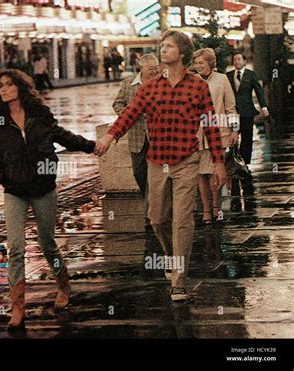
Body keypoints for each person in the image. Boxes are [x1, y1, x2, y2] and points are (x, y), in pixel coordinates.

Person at [95, 31, 226, 302]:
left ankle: (179, 281)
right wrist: (110, 136)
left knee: (182, 221)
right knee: (157, 218)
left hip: (187, 161)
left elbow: (211, 124)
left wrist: (219, 162)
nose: (163, 50)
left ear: (182, 53)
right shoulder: (151, 87)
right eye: (162, 46)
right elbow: (130, 114)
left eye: (169, 46)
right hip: (158, 162)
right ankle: (170, 254)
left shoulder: (198, 86)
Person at [0, 69, 95, 330]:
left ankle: (63, 284)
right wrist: (8, 179)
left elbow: (63, 136)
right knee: (16, 248)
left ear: (21, 87)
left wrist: (91, 145)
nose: (4, 89)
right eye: (1, 86)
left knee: (47, 243)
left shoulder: (40, 115)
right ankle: (18, 308)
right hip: (15, 192)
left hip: (43, 188)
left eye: (10, 84)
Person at [112, 53, 159, 231]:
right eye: (151, 68)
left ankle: (150, 214)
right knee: (140, 174)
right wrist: (128, 116)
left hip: (158, 137)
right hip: (137, 136)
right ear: (141, 68)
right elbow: (117, 104)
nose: (154, 71)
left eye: (156, 67)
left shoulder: (162, 83)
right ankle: (151, 206)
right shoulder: (128, 84)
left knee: (154, 177)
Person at [193, 48, 238, 226]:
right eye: (196, 63)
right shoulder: (192, 81)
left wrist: (235, 130)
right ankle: (205, 209)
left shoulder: (222, 79)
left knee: (215, 172)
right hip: (196, 135)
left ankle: (216, 206)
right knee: (201, 174)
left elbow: (231, 107)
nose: (198, 67)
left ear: (211, 63)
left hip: (218, 133)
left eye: (201, 63)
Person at [226, 51, 269, 166]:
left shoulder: (251, 75)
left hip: (247, 111)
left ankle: (245, 163)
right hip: (233, 112)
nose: (236, 61)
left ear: (244, 61)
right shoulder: (228, 76)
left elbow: (259, 91)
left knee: (246, 138)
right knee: (232, 137)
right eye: (234, 60)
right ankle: (234, 160)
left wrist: (264, 107)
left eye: (239, 59)